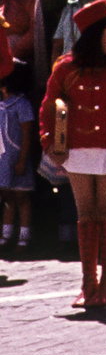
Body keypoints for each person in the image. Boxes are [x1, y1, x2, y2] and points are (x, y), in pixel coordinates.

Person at [40, 0, 106, 308]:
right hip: (77, 149)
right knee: (85, 214)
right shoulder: (66, 67)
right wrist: (48, 142)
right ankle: (87, 283)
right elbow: (47, 106)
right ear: (95, 34)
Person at [0, 60, 33, 250]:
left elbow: (27, 134)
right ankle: (6, 233)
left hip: (18, 158)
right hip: (3, 159)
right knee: (7, 197)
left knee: (22, 197)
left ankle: (24, 235)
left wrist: (22, 160)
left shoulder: (22, 104)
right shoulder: (2, 104)